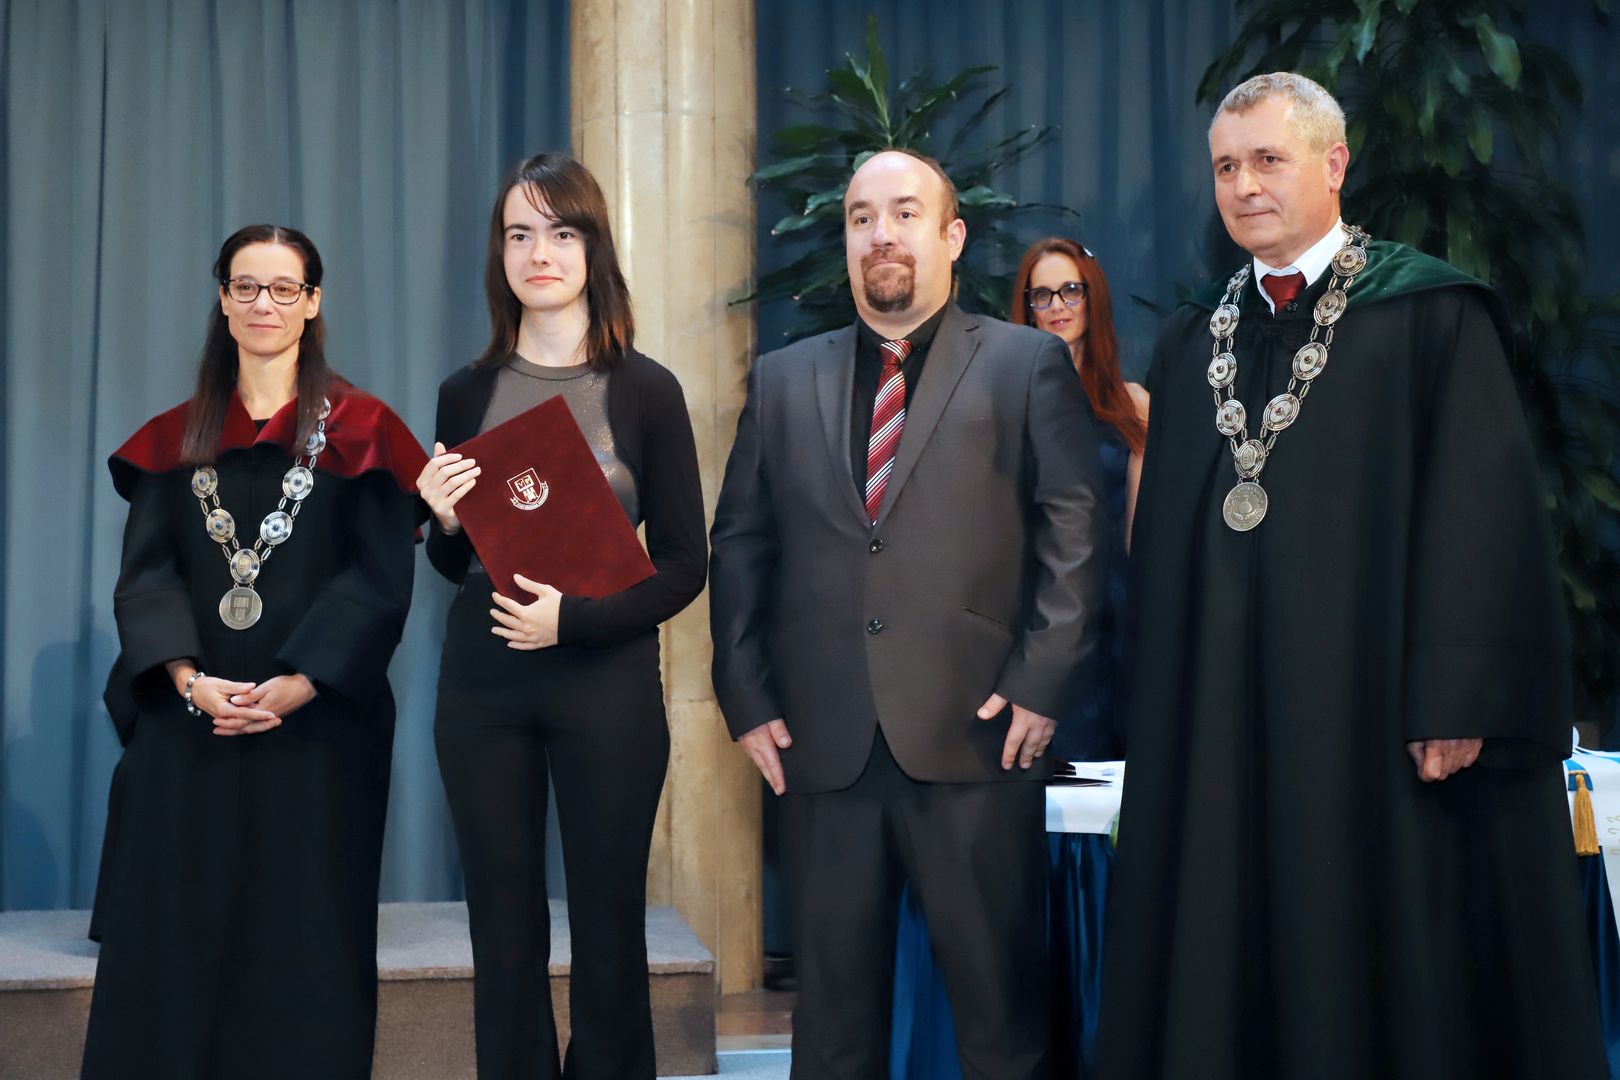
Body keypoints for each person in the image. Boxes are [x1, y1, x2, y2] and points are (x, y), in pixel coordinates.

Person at [1096, 72, 1607, 1080]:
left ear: (1333, 165)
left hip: (1379, 725)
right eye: (1225, 167)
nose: (1243, 186)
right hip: (1224, 729)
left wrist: (1456, 696)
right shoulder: (1195, 334)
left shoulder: (1428, 315)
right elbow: (1169, 552)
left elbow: (1481, 519)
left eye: (1267, 160)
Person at [710, 148, 1107, 1078]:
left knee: (1001, 1026)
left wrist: (1042, 681)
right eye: (860, 217)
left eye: (903, 213)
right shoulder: (783, 378)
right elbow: (741, 545)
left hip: (980, 736)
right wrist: (746, 696)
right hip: (822, 745)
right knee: (833, 1034)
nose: (880, 234)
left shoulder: (1026, 362)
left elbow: (1074, 531)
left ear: (952, 235)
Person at [83, 225, 427, 1079]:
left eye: (283, 288)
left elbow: (380, 577)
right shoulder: (174, 439)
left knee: (304, 940)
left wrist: (303, 681)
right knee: (172, 940)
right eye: (245, 287)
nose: (262, 304)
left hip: (319, 729)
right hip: (189, 723)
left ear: (313, 303)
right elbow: (146, 575)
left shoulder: (366, 432)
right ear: (223, 299)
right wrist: (187, 679)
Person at [418, 152, 706, 1080]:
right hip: (484, 681)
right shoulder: (465, 391)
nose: (539, 253)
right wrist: (443, 521)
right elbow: (454, 562)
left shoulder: (646, 388)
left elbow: (686, 564)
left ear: (593, 250)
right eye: (519, 234)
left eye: (561, 232)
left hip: (604, 676)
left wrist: (571, 625)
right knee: (501, 926)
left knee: (608, 918)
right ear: (499, 254)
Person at [1012, 238, 1147, 761]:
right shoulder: (1001, 403)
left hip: (1116, 618)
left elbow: (1141, 536)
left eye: (1071, 290)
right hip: (1032, 614)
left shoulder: (1133, 406)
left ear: (1094, 298)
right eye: (1041, 295)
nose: (1057, 306)